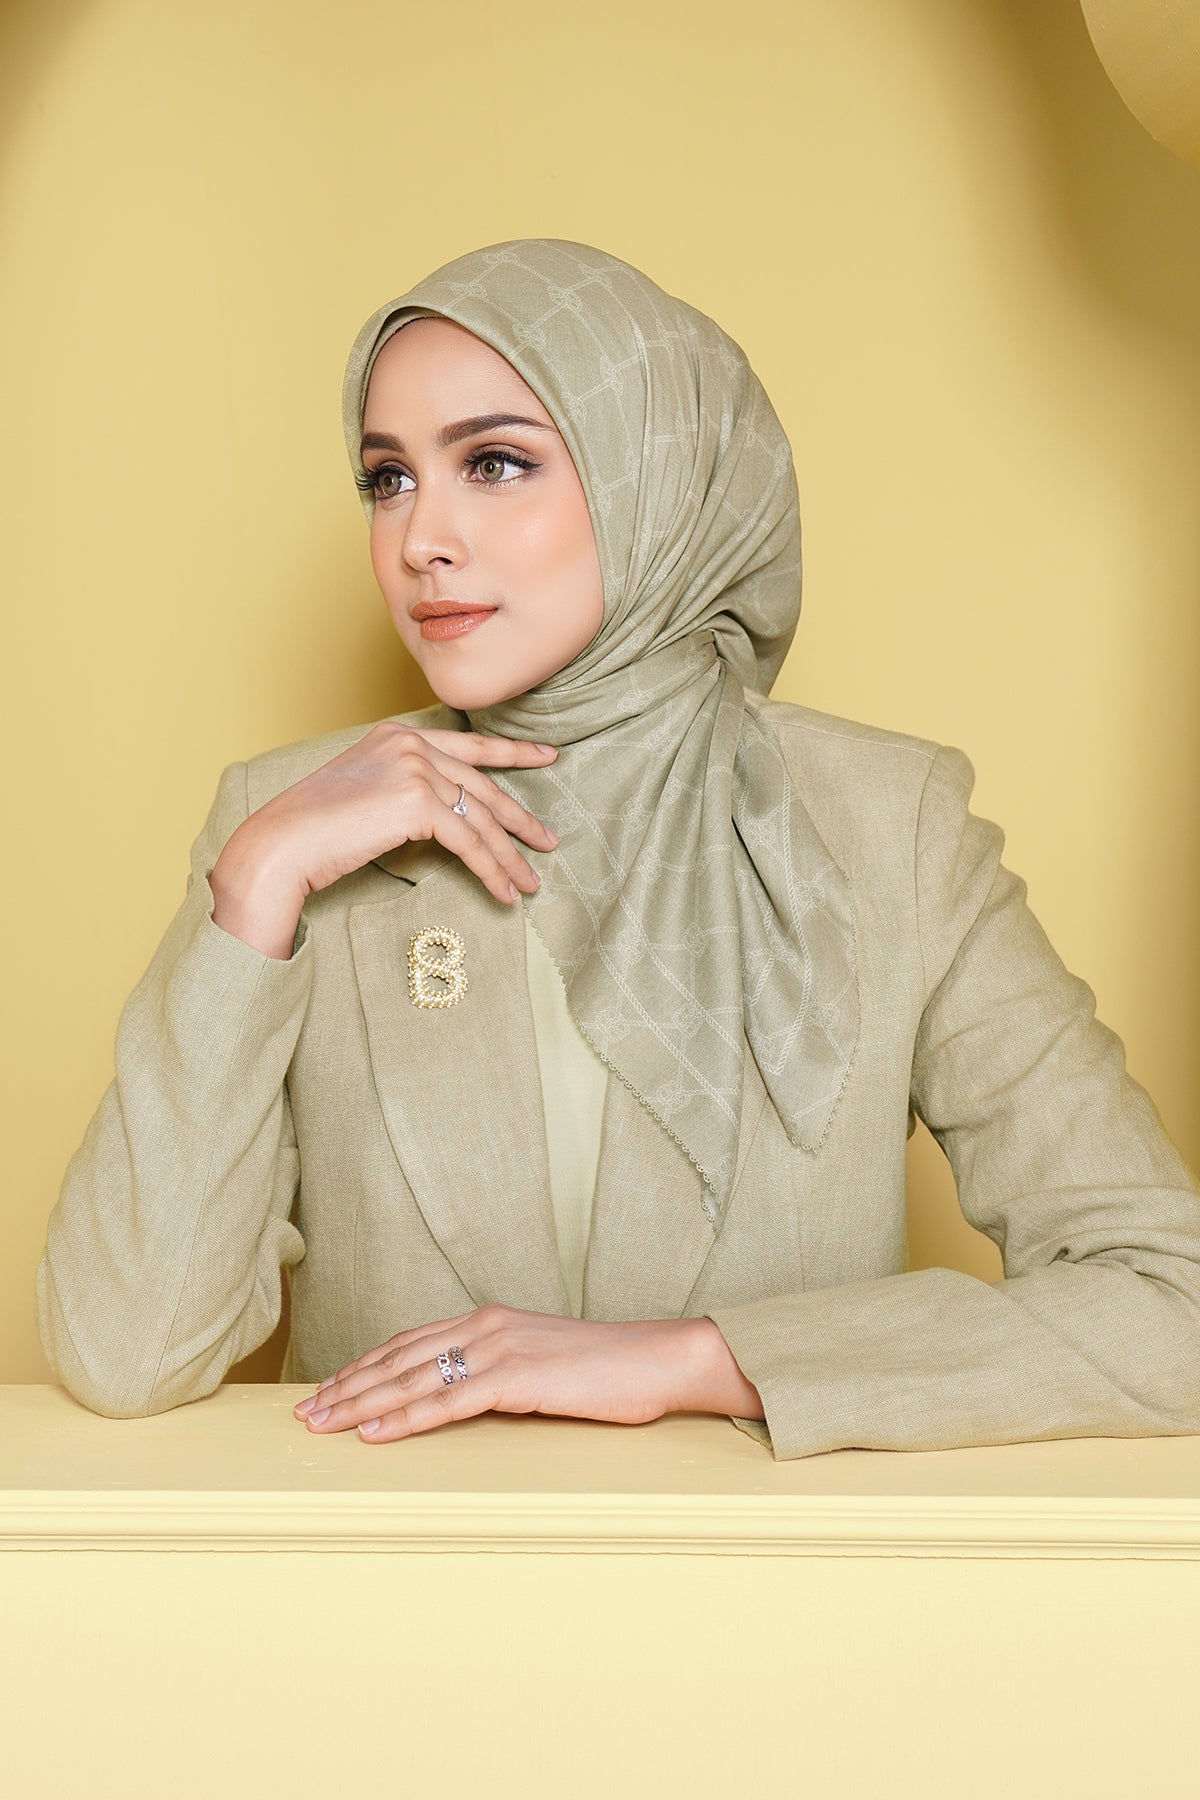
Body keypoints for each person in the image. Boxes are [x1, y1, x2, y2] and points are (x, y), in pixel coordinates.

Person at [35, 238, 1200, 1461]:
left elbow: (1169, 1301)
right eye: (388, 478)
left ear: (659, 475)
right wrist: (256, 885)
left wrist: (692, 1361)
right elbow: (125, 1352)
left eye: (494, 463)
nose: (421, 537)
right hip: (396, 1573)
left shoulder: (886, 824)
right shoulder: (296, 825)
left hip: (770, 1577)